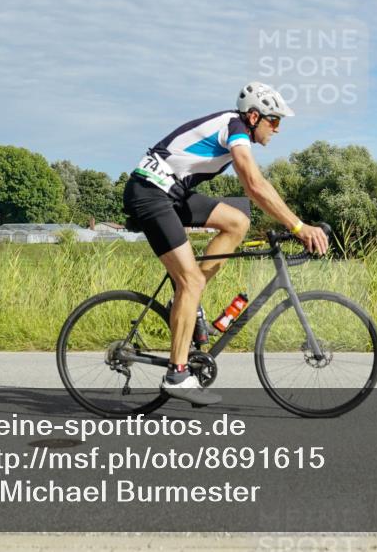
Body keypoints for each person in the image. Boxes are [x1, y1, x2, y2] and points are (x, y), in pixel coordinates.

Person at [123, 82, 329, 406]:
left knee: (237, 223)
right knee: (189, 281)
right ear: (253, 116)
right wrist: (299, 226)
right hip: (150, 193)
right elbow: (254, 184)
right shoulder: (235, 128)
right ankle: (176, 374)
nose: (277, 128)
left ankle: (190, 297)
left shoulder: (236, 130)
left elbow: (253, 189)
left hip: (172, 192)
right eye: (273, 120)